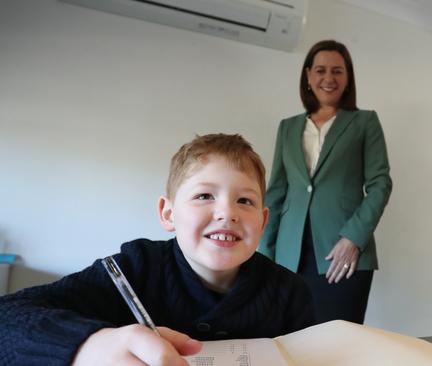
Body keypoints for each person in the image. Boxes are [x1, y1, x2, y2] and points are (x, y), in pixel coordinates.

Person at [0, 133, 315, 365]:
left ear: (262, 222)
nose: (227, 213)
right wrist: (86, 346)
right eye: (205, 195)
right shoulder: (134, 267)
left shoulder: (291, 292)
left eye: (244, 200)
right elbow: (7, 317)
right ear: (168, 213)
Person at [259, 40, 392, 324]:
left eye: (337, 71)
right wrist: (264, 256)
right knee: (288, 340)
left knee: (339, 343)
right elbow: (276, 193)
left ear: (348, 78)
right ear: (308, 76)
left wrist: (353, 238)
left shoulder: (365, 122)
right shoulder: (288, 127)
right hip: (288, 255)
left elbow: (380, 184)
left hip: (342, 254)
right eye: (320, 70)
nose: (328, 78)